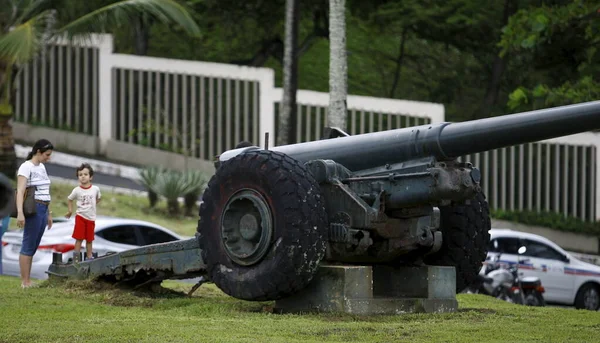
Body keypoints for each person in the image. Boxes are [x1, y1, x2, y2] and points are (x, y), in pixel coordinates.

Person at [16, 139, 54, 288]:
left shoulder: (42, 167)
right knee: (28, 243)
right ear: (38, 152)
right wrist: (20, 212)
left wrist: (49, 213)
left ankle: (28, 279)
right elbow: (20, 190)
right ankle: (25, 282)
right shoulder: (26, 167)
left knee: (34, 244)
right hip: (34, 207)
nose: (48, 157)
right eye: (47, 154)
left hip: (44, 208)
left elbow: (45, 190)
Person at [65, 163, 101, 262]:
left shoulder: (95, 189)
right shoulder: (77, 190)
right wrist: (70, 211)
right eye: (80, 175)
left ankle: (89, 257)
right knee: (79, 238)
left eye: (85, 174)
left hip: (91, 218)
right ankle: (76, 258)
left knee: (89, 239)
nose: (83, 177)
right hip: (80, 217)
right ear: (78, 177)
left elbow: (98, 198)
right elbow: (69, 199)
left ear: (91, 177)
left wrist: (92, 205)